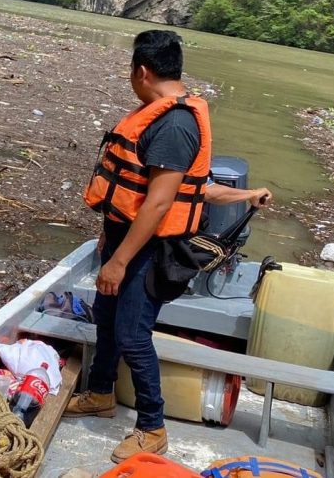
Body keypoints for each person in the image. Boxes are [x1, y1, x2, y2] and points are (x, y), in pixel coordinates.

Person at [67, 30, 272, 463]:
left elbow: (160, 203)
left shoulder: (174, 125)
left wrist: (119, 261)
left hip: (148, 251)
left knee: (132, 333)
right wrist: (247, 195)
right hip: (124, 240)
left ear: (141, 71)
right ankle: (100, 393)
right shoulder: (159, 115)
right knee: (107, 318)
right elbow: (199, 188)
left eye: (131, 72)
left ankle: (152, 427)